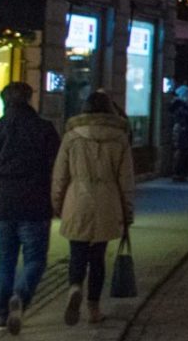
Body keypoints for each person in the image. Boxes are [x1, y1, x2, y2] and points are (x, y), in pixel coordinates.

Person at [0, 82, 61, 334]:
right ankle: (20, 297)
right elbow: (57, 165)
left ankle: (2, 315)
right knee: (35, 259)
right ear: (30, 99)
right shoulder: (44, 129)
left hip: (2, 203)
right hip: (35, 202)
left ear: (4, 101)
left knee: (5, 260)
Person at [52, 91, 136, 326]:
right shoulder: (120, 137)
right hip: (107, 201)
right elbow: (126, 180)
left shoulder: (71, 137)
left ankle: (75, 287)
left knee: (76, 252)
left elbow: (60, 175)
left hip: (77, 198)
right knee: (98, 257)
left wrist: (58, 203)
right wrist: (128, 211)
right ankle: (93, 308)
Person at [170, 86, 188, 182]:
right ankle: (177, 172)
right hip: (181, 129)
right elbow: (185, 116)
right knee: (181, 151)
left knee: (183, 151)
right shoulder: (180, 105)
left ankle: (179, 172)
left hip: (182, 129)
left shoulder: (179, 104)